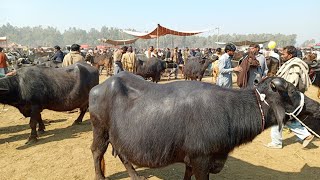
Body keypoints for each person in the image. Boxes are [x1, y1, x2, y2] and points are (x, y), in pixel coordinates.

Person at [266, 45, 314, 149]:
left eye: (284, 54)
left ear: (290, 55)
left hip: (287, 96)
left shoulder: (294, 66)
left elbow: (291, 82)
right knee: (285, 118)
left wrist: (277, 86)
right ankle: (305, 135)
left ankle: (277, 142)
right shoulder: (290, 63)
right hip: (286, 96)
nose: (281, 55)